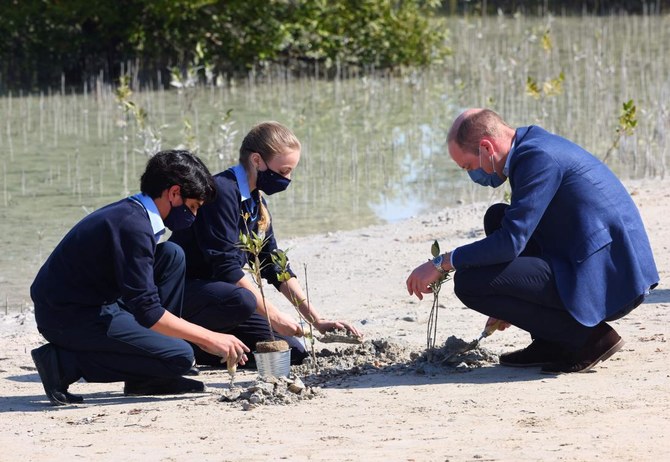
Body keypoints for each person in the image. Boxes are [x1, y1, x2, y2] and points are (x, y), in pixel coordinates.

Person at [406, 108, 659, 374]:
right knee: (497, 217)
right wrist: (511, 303)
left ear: (486, 147)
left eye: (468, 166)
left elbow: (510, 243)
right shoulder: (529, 147)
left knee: (470, 283)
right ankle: (550, 341)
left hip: (610, 278)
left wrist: (442, 262)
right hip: (590, 255)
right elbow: (515, 232)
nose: (472, 175)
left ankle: (589, 339)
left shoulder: (537, 158)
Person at [30, 150, 250, 406]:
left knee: (171, 255)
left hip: (94, 301)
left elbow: (142, 299)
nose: (194, 216)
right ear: (174, 193)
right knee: (180, 355)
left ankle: (148, 377)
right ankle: (63, 364)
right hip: (66, 315)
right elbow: (148, 312)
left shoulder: (135, 214)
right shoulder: (132, 226)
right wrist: (210, 337)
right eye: (193, 207)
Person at [170, 121, 361, 366]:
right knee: (242, 300)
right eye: (283, 171)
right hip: (190, 293)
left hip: (226, 297)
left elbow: (273, 262)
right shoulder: (220, 193)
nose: (287, 179)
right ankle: (183, 341)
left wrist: (316, 320)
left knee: (289, 355)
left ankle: (214, 346)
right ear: (257, 161)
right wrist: (276, 316)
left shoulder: (255, 201)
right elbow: (227, 269)